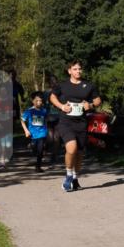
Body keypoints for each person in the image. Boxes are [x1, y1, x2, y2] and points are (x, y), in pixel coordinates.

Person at [49, 60, 101, 192]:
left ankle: (75, 178)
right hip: (65, 122)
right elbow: (52, 97)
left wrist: (90, 105)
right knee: (72, 148)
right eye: (75, 69)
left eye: (79, 69)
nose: (78, 71)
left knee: (79, 154)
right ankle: (68, 176)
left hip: (81, 123)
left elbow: (98, 100)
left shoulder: (88, 85)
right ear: (69, 71)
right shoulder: (62, 85)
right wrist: (61, 106)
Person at [20, 92, 49, 172]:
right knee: (34, 149)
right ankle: (31, 146)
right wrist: (26, 131)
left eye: (40, 101)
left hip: (42, 133)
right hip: (32, 134)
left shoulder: (44, 110)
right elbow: (22, 120)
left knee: (40, 150)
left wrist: (46, 129)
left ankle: (38, 166)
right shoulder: (29, 111)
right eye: (37, 100)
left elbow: (46, 120)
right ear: (33, 101)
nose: (39, 102)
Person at [0, 81, 14, 168]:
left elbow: (15, 112)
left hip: (9, 125)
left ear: (6, 91)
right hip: (0, 125)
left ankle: (9, 156)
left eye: (4, 90)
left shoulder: (10, 100)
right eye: (1, 90)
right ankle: (2, 163)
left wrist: (11, 113)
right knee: (2, 145)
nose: (3, 92)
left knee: (8, 145)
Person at [43, 74, 62, 165]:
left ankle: (54, 156)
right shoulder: (46, 92)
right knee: (50, 138)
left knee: (57, 137)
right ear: (49, 83)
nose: (54, 82)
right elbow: (42, 104)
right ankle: (45, 148)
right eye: (51, 81)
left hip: (59, 116)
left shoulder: (60, 91)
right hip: (49, 117)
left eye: (55, 80)